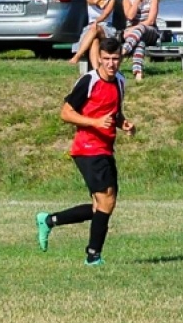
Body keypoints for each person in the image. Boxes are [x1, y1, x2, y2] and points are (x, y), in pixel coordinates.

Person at [35, 36, 133, 266]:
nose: (111, 63)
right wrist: (95, 122)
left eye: (115, 59)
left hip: (105, 148)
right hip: (87, 147)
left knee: (101, 206)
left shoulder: (120, 81)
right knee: (106, 200)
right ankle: (93, 256)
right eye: (106, 59)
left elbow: (114, 114)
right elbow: (66, 113)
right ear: (99, 58)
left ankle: (49, 220)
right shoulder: (89, 81)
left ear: (121, 59)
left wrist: (124, 124)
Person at [67, 0, 117, 72]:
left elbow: (105, 14)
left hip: (106, 27)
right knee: (95, 41)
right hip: (91, 28)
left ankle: (77, 56)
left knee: (95, 29)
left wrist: (96, 22)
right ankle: (96, 70)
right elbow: (94, 2)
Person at [119, 0, 160, 81]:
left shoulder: (153, 0)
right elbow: (130, 16)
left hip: (150, 31)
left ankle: (123, 51)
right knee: (140, 42)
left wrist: (134, 28)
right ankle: (138, 73)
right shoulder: (127, 0)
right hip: (133, 35)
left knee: (141, 28)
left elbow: (151, 21)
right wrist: (137, 0)